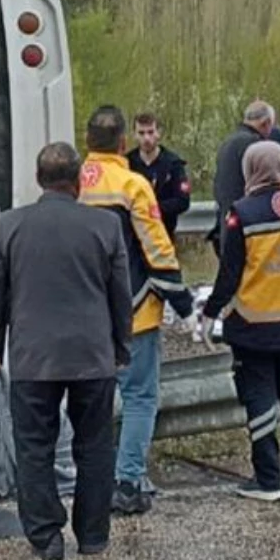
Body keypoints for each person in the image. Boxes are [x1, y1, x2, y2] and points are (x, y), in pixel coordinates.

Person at [0, 141, 132, 560]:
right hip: (92, 357)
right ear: (78, 180)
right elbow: (120, 295)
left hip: (33, 359)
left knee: (34, 448)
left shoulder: (7, 227)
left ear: (38, 179)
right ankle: (93, 535)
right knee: (95, 446)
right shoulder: (106, 226)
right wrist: (121, 347)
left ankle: (46, 537)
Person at [78, 105, 196, 516]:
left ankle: (92, 480)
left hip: (82, 312)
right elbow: (157, 250)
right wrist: (183, 304)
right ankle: (128, 483)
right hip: (133, 311)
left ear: (87, 141)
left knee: (90, 399)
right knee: (140, 396)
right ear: (123, 143)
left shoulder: (71, 183)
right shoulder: (132, 185)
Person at [200, 141, 280, 501]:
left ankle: (267, 480)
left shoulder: (243, 213)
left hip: (256, 324)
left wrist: (210, 312)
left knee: (259, 399)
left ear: (250, 169)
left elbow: (230, 272)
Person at [209, 100, 278, 256]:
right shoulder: (256, 146)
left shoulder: (227, 143)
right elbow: (265, 186)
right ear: (266, 123)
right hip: (250, 227)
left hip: (227, 223)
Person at [126, 112, 192, 242]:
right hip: (134, 239)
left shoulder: (173, 164)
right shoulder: (127, 164)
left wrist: (154, 209)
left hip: (164, 236)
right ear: (134, 135)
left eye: (150, 132)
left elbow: (183, 201)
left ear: (158, 133)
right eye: (141, 133)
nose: (146, 138)